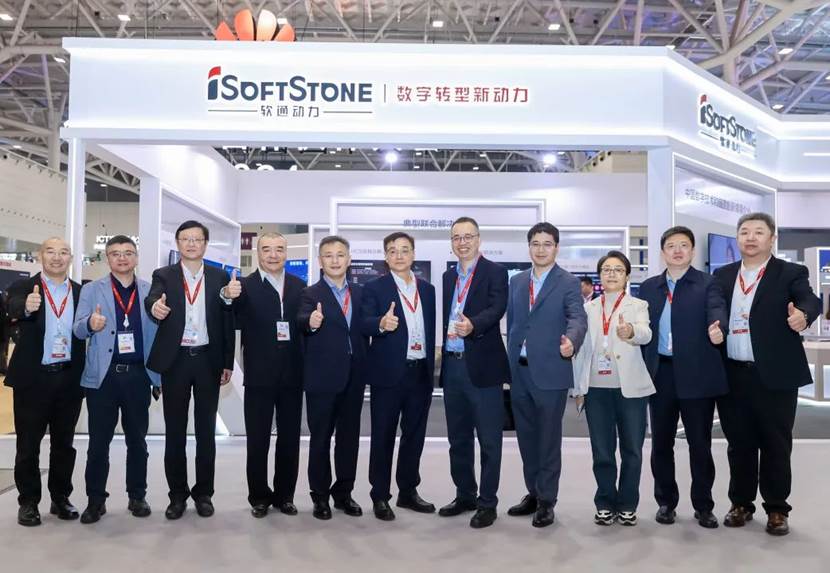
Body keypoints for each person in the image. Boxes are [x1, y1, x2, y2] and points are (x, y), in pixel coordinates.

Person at [714, 212, 821, 536]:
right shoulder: (723, 275)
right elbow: (714, 308)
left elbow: (809, 300)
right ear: (737, 238)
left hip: (774, 374)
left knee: (776, 443)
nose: (750, 237)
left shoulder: (790, 272)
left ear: (772, 238)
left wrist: (803, 315)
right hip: (733, 373)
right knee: (739, 443)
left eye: (758, 232)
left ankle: (776, 508)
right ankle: (741, 503)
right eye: (744, 232)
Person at [639, 226, 728, 529]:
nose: (677, 251)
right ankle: (666, 502)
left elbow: (717, 310)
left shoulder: (707, 283)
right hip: (660, 373)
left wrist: (718, 328)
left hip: (697, 373)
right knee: (661, 443)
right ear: (662, 252)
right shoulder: (649, 287)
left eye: (684, 245)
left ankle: (703, 505)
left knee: (699, 444)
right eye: (671, 246)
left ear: (692, 251)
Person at [145, 220, 234, 520]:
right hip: (177, 361)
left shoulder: (220, 276)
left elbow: (227, 321)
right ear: (178, 243)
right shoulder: (164, 275)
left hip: (208, 359)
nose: (192, 244)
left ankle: (204, 494)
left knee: (206, 432)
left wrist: (227, 361)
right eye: (186, 239)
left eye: (197, 239)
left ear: (205, 244)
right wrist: (154, 307)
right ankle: (177, 495)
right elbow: (152, 298)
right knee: (175, 432)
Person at [72, 235, 160, 523]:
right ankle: (95, 500)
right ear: (107, 258)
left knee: (138, 442)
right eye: (115, 253)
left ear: (136, 257)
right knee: (98, 443)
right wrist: (90, 323)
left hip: (138, 376)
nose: (122, 258)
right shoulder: (91, 290)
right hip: (104, 377)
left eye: (128, 253)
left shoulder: (149, 290)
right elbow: (77, 329)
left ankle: (137, 496)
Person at [505, 222, 587, 528]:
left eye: (547, 244)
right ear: (529, 247)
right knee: (526, 438)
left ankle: (547, 501)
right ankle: (533, 492)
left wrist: (572, 341)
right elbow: (514, 323)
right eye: (535, 244)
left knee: (548, 440)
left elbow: (577, 318)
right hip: (520, 372)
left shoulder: (568, 282)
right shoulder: (517, 281)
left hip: (551, 372)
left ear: (557, 248)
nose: (541, 249)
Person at [5, 237, 85, 527]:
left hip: (69, 378)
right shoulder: (24, 287)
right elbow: (12, 307)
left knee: (64, 444)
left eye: (63, 252)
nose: (57, 257)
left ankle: (60, 497)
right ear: (41, 255)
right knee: (28, 445)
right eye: (51, 251)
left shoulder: (81, 292)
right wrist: (26, 307)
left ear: (70, 258)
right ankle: (28, 502)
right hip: (33, 379)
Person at [225, 232, 305, 518]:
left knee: (290, 439)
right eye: (267, 249)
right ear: (257, 253)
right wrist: (227, 297)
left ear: (286, 253)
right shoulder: (243, 287)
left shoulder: (300, 286)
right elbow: (228, 320)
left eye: (279, 249)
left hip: (293, 374)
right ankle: (259, 497)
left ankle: (285, 496)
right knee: (258, 439)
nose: (273, 255)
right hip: (259, 375)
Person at [573, 250, 654, 526]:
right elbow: (581, 352)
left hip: (630, 389)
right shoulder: (587, 309)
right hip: (596, 389)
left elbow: (646, 333)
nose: (612, 274)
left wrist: (631, 331)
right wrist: (578, 389)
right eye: (606, 269)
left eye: (618, 269)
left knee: (632, 450)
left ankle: (628, 504)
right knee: (602, 450)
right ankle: (605, 502)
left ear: (627, 276)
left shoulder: (638, 305)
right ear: (599, 275)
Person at [437, 217, 509, 529]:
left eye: (468, 237)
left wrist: (473, 325)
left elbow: (497, 308)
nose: (462, 242)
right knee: (458, 438)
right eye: (457, 237)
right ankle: (465, 494)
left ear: (478, 239)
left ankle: (487, 502)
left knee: (490, 441)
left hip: (483, 367)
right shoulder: (447, 276)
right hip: (453, 365)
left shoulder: (495, 272)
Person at [360, 232, 436, 521]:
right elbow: (363, 323)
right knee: (383, 436)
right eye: (393, 251)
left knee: (414, 436)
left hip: (420, 372)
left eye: (405, 250)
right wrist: (381, 323)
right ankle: (380, 495)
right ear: (386, 256)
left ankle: (408, 491)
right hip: (388, 374)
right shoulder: (374, 288)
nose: (399, 255)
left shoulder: (427, 290)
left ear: (413, 254)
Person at [298, 236, 367, 520]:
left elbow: (367, 325)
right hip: (322, 378)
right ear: (320, 261)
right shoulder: (310, 294)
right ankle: (320, 496)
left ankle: (344, 494)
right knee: (321, 439)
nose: (335, 260)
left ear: (349, 259)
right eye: (328, 255)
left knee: (349, 439)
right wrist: (310, 322)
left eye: (340, 255)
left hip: (355, 376)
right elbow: (301, 319)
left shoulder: (361, 293)